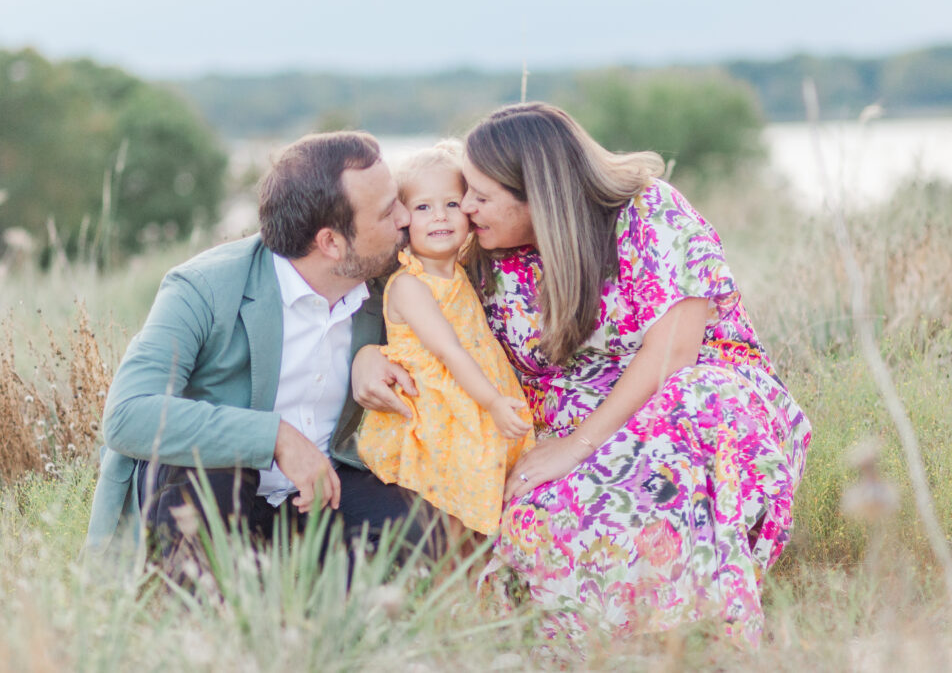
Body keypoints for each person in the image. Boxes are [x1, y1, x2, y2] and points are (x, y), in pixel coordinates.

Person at [354, 103, 811, 645]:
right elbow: (397, 288)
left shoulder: (649, 213)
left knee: (689, 415)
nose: (466, 208)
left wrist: (578, 445)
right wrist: (368, 353)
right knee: (535, 524)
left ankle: (698, 629)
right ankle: (603, 635)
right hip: (558, 425)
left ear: (535, 192)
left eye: (478, 194)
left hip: (685, 400)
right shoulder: (485, 248)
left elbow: (675, 352)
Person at [84, 131, 431, 566]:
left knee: (420, 527)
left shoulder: (395, 284)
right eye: (387, 212)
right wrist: (275, 438)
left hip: (323, 499)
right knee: (203, 490)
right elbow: (127, 415)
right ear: (330, 243)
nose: (405, 218)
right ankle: (210, 618)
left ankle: (330, 624)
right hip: (219, 491)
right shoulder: (203, 289)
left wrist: (369, 357)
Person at [356, 142, 534, 539]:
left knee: (481, 509)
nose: (439, 216)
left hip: (470, 403)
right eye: (423, 207)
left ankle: (479, 590)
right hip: (441, 414)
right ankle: (448, 592)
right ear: (403, 220)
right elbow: (449, 351)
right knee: (449, 518)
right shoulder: (410, 286)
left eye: (452, 204)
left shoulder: (461, 269)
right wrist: (492, 402)